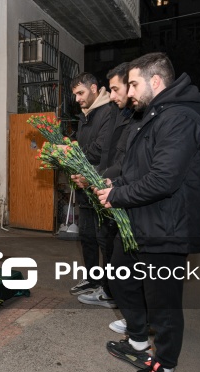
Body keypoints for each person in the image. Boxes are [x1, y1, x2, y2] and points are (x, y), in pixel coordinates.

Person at [95, 52, 200, 372]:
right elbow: (141, 169)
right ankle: (137, 341)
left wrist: (118, 196)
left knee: (163, 302)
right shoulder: (155, 116)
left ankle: (167, 370)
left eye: (133, 83)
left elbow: (164, 179)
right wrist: (118, 184)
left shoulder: (179, 119)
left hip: (168, 228)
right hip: (146, 223)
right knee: (121, 274)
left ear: (155, 81)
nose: (129, 92)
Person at [74, 62, 137, 310]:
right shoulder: (91, 115)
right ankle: (98, 282)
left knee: (108, 241)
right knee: (90, 236)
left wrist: (98, 176)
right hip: (98, 182)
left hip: (110, 185)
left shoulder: (112, 113)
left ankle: (113, 294)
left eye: (117, 88)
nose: (114, 96)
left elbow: (109, 152)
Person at [68, 72, 112, 296]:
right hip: (84, 186)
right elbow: (83, 145)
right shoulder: (84, 116)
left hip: (101, 184)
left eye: (80, 93)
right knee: (86, 235)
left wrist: (75, 156)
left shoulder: (108, 112)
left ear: (94, 88)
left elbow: (101, 148)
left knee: (104, 237)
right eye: (75, 94)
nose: (77, 99)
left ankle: (109, 286)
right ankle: (92, 279)